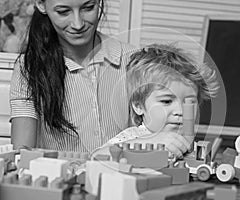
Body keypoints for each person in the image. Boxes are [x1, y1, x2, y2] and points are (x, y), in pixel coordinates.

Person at [9, 0, 136, 153]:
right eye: (63, 11)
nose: (78, 24)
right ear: (41, 5)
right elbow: (22, 154)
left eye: (88, 8)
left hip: (121, 175)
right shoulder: (28, 67)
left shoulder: (132, 59)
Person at [91, 43, 219, 159]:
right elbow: (96, 157)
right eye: (167, 101)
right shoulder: (133, 137)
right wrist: (149, 142)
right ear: (138, 106)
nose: (180, 111)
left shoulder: (187, 141)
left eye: (190, 102)